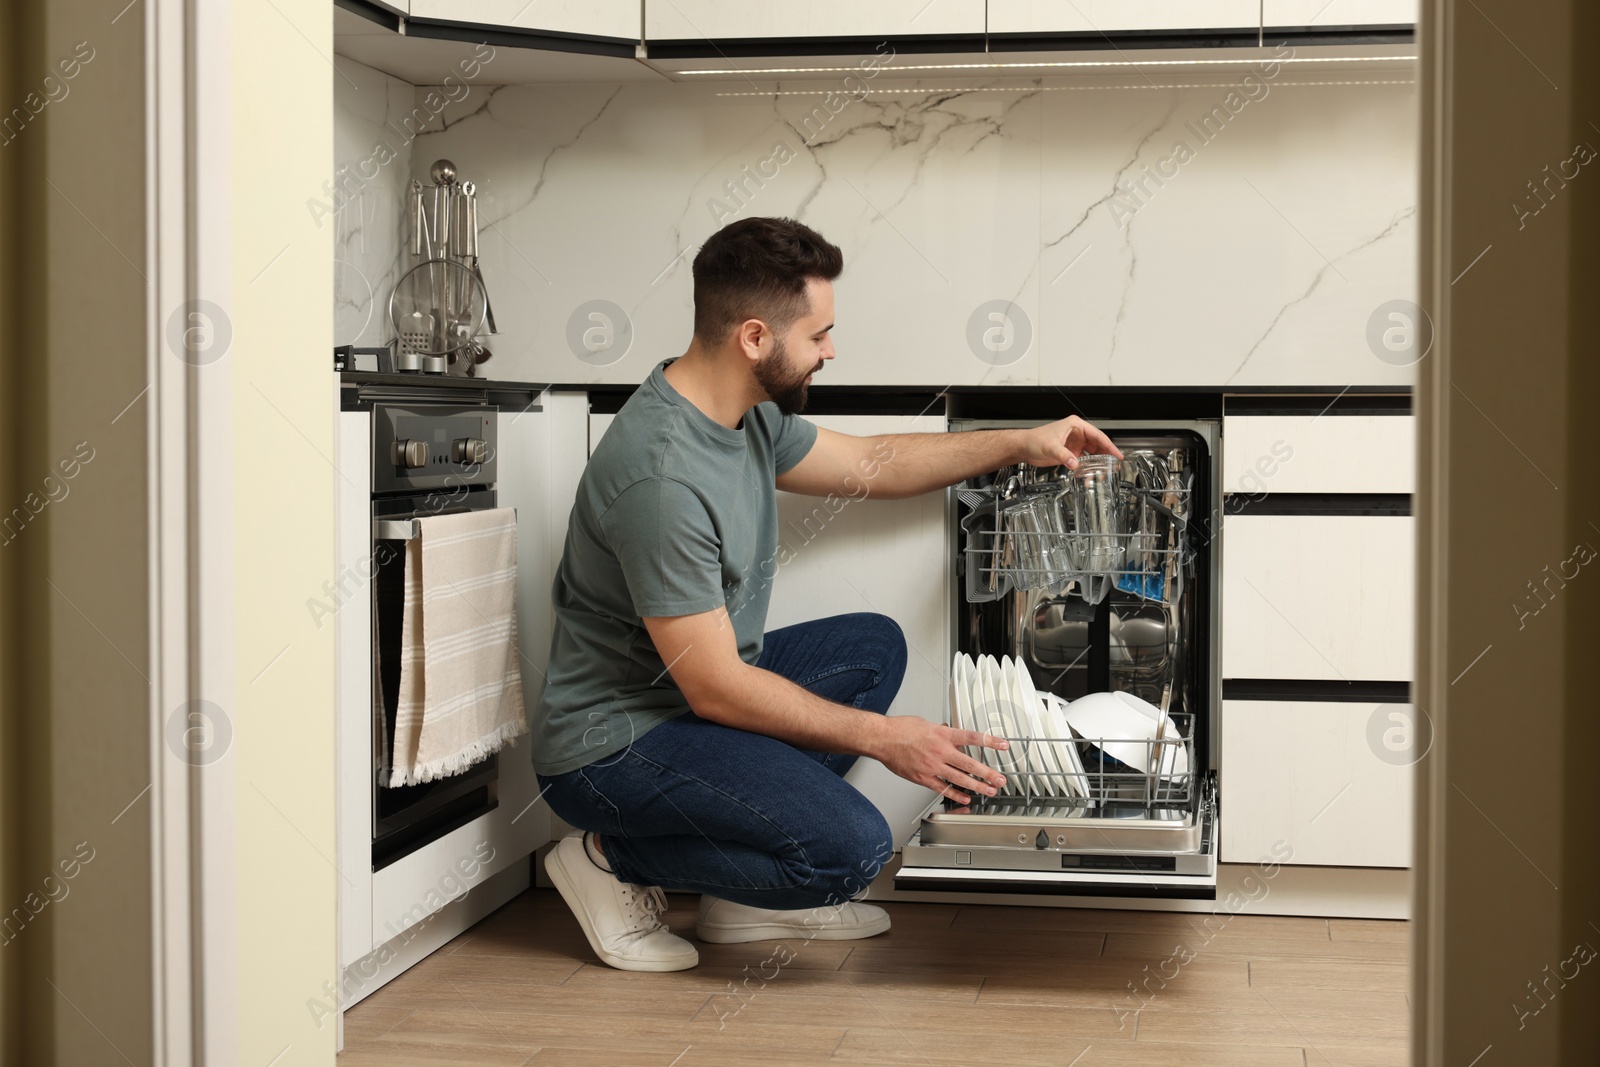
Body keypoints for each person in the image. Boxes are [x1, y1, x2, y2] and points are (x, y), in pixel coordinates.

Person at [531, 216, 1122, 971]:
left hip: (680, 697)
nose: (831, 350)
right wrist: (887, 738)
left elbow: (872, 462)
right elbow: (716, 687)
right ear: (754, 337)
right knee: (851, 853)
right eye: (819, 334)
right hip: (613, 748)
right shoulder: (661, 478)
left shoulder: (740, 413)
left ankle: (741, 898)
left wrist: (1020, 440)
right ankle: (607, 857)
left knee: (872, 647)